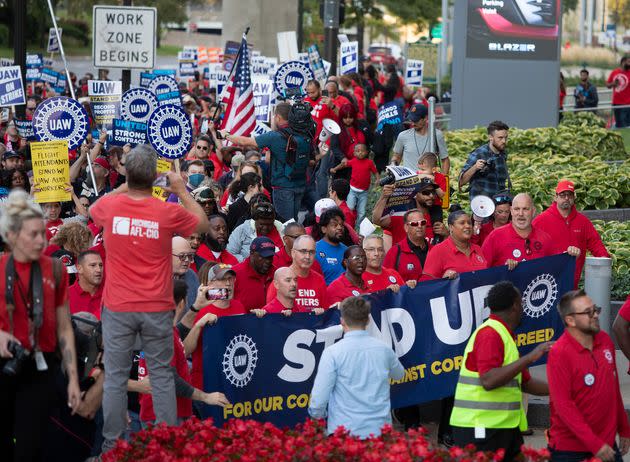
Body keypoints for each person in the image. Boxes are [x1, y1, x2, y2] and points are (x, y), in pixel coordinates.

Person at [88, 144, 209, 452]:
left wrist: (130, 182)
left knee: (115, 377)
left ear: (128, 173)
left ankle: (113, 447)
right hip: (156, 308)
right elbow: (202, 224)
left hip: (118, 307)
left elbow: (93, 210)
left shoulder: (111, 208)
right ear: (156, 175)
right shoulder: (166, 211)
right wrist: (181, 189)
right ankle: (166, 446)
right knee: (162, 377)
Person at [0, 190, 81, 460]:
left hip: (40, 365)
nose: (40, 240)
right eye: (32, 234)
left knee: (31, 444)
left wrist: (72, 378)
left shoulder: (55, 269)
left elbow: (64, 326)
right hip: (5, 362)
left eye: (41, 233)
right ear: (11, 236)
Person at [450, 281, 552, 461]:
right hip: (480, 428)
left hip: (503, 428)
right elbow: (489, 381)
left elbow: (526, 383)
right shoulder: (490, 334)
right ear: (514, 306)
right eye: (521, 303)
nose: (523, 309)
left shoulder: (504, 335)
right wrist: (530, 357)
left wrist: (564, 388)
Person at [548, 290, 630, 462]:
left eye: (595, 309)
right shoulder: (560, 353)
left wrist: (624, 429)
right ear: (570, 320)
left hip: (606, 445)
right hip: (570, 451)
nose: (595, 315)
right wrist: (595, 444)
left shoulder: (605, 341)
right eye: (588, 312)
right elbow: (564, 407)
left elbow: (613, 389)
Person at [308, 296, 405, 438]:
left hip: (344, 432)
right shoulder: (384, 349)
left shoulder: (332, 353)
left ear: (342, 321)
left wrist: (317, 420)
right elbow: (399, 374)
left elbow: (319, 400)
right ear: (367, 320)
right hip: (379, 431)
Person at [221, 102, 315, 221]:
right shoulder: (302, 132)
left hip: (282, 187)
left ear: (278, 117)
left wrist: (226, 136)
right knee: (294, 219)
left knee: (284, 222)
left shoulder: (275, 137)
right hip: (300, 184)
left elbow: (246, 142)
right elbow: (310, 160)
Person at [533, 180, 609, 288]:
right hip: (546, 284)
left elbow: (596, 244)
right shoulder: (541, 221)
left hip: (573, 286)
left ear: (574, 197)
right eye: (562, 195)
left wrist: (605, 261)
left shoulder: (583, 222)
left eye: (569, 195)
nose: (566, 198)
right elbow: (530, 246)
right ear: (555, 197)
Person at [483, 193, 580, 270]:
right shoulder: (495, 236)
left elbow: (557, 267)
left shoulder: (545, 238)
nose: (520, 214)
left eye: (525, 209)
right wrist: (503, 269)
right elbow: (481, 271)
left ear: (533, 211)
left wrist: (571, 255)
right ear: (511, 211)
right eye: (517, 209)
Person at [189, 263, 246, 389]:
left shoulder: (238, 306)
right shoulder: (200, 309)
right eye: (222, 279)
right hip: (206, 384)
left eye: (230, 279)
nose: (228, 283)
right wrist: (199, 325)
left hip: (232, 380)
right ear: (210, 284)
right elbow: (185, 350)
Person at [267, 235, 328, 313]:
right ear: (293, 253)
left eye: (311, 252)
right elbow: (270, 315)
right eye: (303, 251)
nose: (307, 256)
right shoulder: (281, 279)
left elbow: (325, 312)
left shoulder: (319, 280)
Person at [423, 210, 488, 280]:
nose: (468, 226)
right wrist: (443, 280)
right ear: (451, 227)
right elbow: (427, 284)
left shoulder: (477, 249)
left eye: (469, 223)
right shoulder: (438, 250)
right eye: (462, 223)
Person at [391, 103, 450, 175]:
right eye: (412, 120)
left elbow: (445, 160)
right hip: (409, 182)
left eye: (416, 120)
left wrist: (443, 181)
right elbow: (397, 156)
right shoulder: (403, 136)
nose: (412, 123)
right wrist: (393, 164)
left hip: (429, 182)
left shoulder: (437, 135)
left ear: (425, 118)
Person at [459, 121, 510, 200]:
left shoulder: (503, 154)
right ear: (490, 137)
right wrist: (475, 167)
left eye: (506, 137)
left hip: (498, 203)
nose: (504, 141)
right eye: (500, 138)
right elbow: (461, 182)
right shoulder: (479, 153)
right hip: (481, 204)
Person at [331, 144, 379, 228]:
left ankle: (358, 227)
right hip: (352, 190)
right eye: (358, 151)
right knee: (350, 208)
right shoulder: (353, 161)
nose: (360, 153)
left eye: (362, 151)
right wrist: (334, 169)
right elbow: (343, 164)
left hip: (364, 192)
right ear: (354, 153)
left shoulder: (369, 163)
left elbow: (375, 172)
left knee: (362, 212)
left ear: (367, 152)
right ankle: (348, 225)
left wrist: (378, 179)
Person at [383, 209, 430, 283]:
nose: (420, 226)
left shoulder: (435, 250)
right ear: (406, 227)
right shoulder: (395, 252)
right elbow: (386, 280)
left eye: (423, 222)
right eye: (415, 224)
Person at [232, 237, 276, 312]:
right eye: (263, 257)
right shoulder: (234, 274)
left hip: (272, 321)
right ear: (251, 253)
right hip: (244, 321)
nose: (268, 261)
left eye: (270, 257)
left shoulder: (277, 273)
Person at [315, 207, 349, 285]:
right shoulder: (314, 250)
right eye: (335, 225)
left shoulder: (347, 251)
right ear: (324, 229)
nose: (339, 228)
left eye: (341, 225)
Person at [69, 250, 104, 319]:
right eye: (93, 265)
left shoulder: (110, 295)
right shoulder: (65, 296)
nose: (99, 270)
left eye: (101, 265)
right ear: (79, 268)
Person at [172, 236, 200, 309]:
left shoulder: (191, 275)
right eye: (182, 256)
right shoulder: (156, 279)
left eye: (190, 256)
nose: (187, 260)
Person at [606, 56, 630, 128]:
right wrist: (612, 84)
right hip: (616, 103)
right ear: (623, 62)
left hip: (627, 104)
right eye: (629, 62)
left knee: (625, 124)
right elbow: (608, 85)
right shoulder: (614, 72)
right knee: (619, 125)